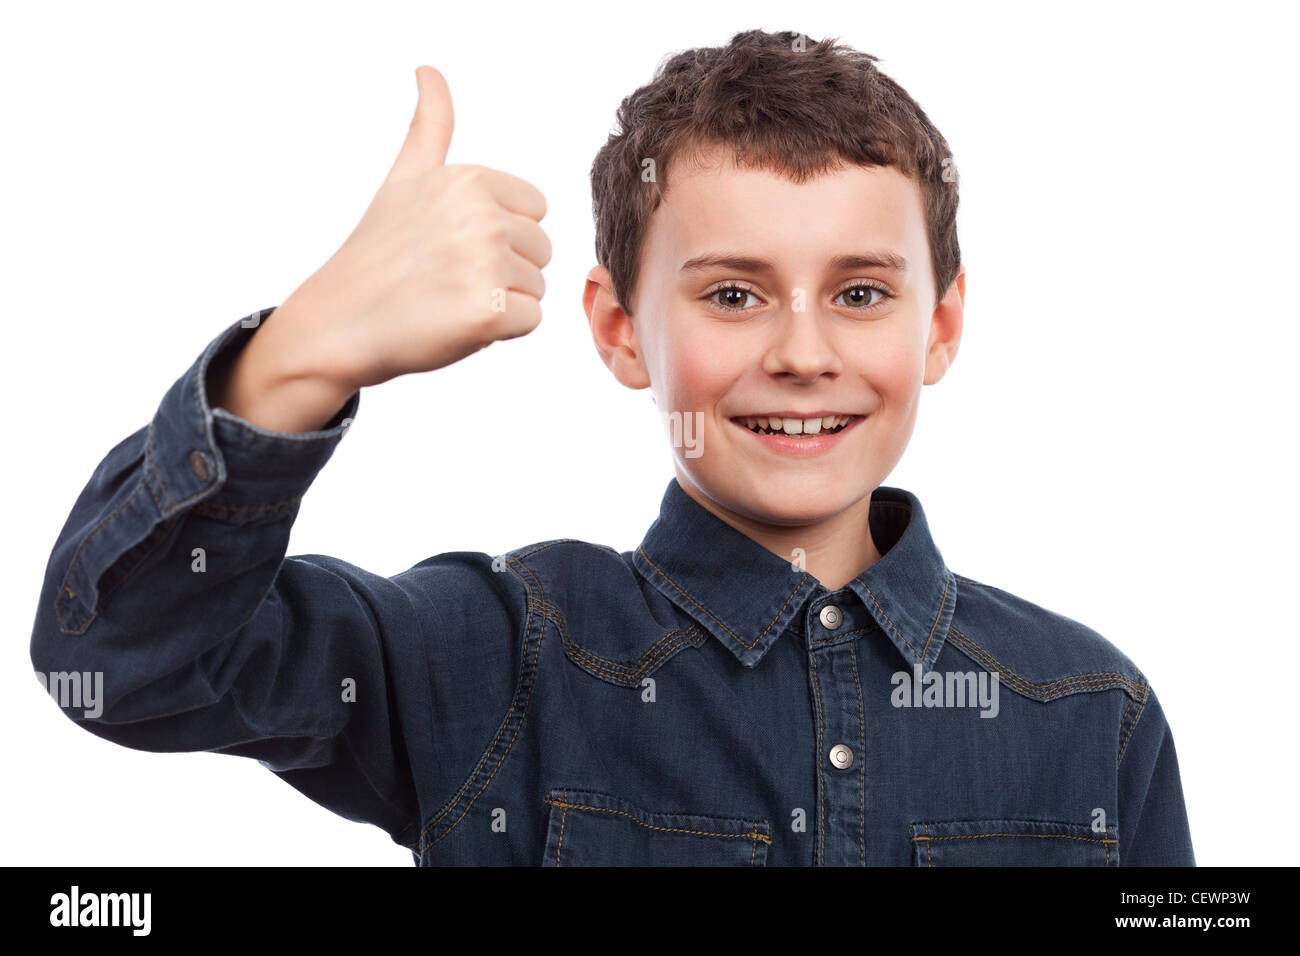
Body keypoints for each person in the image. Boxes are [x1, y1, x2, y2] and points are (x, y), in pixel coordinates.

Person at [30, 29, 1194, 865]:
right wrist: (295, 356)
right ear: (619, 328)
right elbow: (124, 663)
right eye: (733, 292)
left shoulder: (1093, 714)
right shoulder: (489, 658)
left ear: (938, 324)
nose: (801, 351)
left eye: (859, 291)